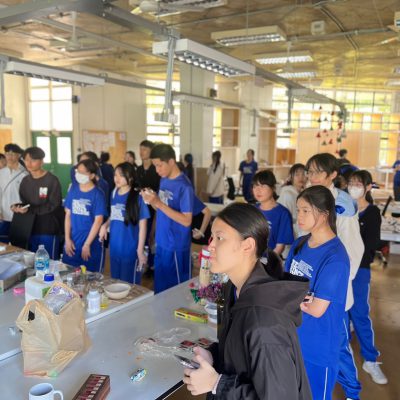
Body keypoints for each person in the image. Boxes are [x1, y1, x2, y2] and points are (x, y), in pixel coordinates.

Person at [183, 203, 311, 399]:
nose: (211, 246)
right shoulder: (233, 289)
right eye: (212, 237)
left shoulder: (265, 324)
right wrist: (214, 356)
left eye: (220, 238)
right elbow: (240, 351)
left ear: (248, 246)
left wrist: (216, 384)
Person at [305, 153, 364, 398]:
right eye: (310, 172)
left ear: (332, 175)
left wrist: (335, 282)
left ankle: (352, 393)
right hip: (309, 285)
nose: (312, 176)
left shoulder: (343, 204)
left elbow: (353, 249)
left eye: (318, 172)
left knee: (338, 345)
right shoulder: (308, 197)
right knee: (313, 342)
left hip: (332, 288)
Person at [285, 185, 350, 400]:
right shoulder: (300, 244)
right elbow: (283, 285)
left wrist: (292, 296)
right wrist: (301, 297)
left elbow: (316, 309)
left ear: (324, 214)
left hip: (317, 349)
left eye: (306, 210)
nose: (299, 216)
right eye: (298, 210)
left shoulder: (336, 258)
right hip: (291, 339)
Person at [347, 170, 388, 387]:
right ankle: (341, 359)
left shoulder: (371, 213)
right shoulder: (344, 209)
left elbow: (371, 244)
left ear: (368, 187)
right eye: (350, 183)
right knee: (340, 314)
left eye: (358, 183)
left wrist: (354, 259)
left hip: (359, 270)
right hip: (341, 269)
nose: (353, 187)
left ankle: (370, 360)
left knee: (360, 313)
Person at [141, 144, 193, 294]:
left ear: (171, 161)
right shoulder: (164, 180)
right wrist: (151, 200)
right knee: (161, 290)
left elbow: (187, 220)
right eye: (155, 166)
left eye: (159, 165)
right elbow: (160, 209)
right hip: (162, 242)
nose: (157, 170)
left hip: (176, 246)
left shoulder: (185, 187)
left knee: (176, 293)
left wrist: (158, 203)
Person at [99, 162, 149, 284]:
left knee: (130, 286)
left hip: (130, 250)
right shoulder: (114, 193)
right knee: (116, 283)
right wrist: (105, 225)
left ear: (130, 177)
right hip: (115, 249)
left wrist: (140, 250)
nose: (117, 178)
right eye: (115, 175)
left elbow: (143, 226)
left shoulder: (138, 196)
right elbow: (113, 215)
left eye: (121, 175)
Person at [13, 147, 62, 258]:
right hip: (29, 228)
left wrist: (30, 209)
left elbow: (54, 204)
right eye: (26, 160)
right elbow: (25, 202)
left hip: (48, 229)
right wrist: (17, 207)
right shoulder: (25, 181)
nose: (29, 163)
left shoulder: (52, 180)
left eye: (33, 160)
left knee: (49, 261)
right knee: (33, 261)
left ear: (42, 161)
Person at [62, 159, 106, 272]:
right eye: (78, 171)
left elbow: (98, 220)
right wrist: (67, 239)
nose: (78, 174)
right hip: (72, 243)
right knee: (69, 274)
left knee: (89, 277)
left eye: (82, 172)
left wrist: (87, 244)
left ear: (92, 175)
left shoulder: (98, 194)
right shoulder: (73, 189)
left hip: (91, 244)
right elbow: (68, 215)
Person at [252, 170, 294, 256]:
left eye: (262, 186)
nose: (258, 190)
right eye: (255, 186)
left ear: (273, 188)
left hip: (270, 259)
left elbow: (280, 247)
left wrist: (266, 261)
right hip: (251, 258)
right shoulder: (252, 210)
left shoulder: (283, 213)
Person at [136, 140, 161, 276]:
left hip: (153, 211)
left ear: (151, 151)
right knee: (142, 238)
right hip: (140, 211)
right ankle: (143, 262)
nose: (141, 152)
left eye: (144, 149)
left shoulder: (156, 171)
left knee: (152, 237)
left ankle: (151, 265)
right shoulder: (138, 170)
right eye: (140, 149)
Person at [0, 144, 28, 243]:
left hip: (19, 215)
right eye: (7, 154)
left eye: (12, 154)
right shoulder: (1, 173)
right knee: (3, 245)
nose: (9, 156)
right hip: (3, 215)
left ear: (19, 155)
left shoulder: (25, 174)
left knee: (19, 244)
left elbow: (27, 197)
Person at [278, 163, 306, 238]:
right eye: (297, 175)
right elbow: (284, 220)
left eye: (303, 174)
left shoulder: (303, 194)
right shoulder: (287, 194)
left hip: (299, 232)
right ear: (291, 177)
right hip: (289, 234)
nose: (301, 177)